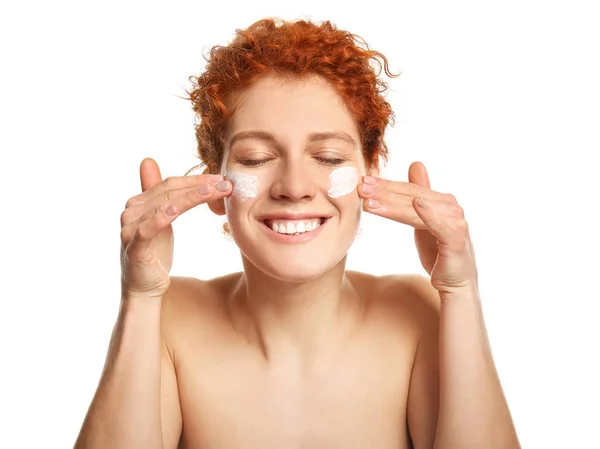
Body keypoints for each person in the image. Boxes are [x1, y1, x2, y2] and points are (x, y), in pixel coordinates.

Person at [74, 17, 520, 449]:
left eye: (326, 157)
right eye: (255, 158)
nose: (294, 187)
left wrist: (461, 290)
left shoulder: (416, 316)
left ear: (371, 176)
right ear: (214, 186)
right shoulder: (170, 321)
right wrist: (140, 298)